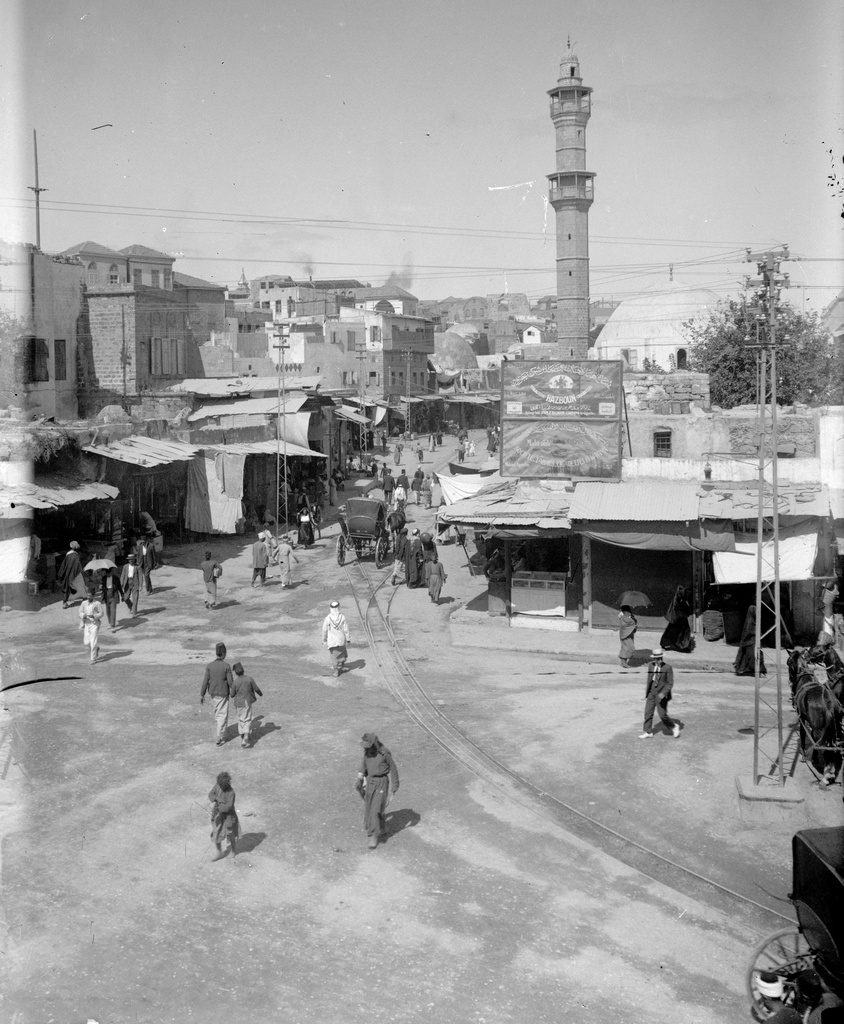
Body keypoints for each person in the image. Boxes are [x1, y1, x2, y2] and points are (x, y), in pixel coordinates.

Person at [356, 732, 399, 849]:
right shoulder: (367, 753)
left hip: (381, 783)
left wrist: (395, 785)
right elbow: (363, 766)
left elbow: (393, 768)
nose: (365, 748)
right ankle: (383, 827)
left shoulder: (385, 753)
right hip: (370, 783)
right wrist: (359, 779)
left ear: (374, 743)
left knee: (375, 809)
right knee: (371, 808)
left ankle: (374, 836)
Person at [640, 648, 680, 739]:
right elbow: (649, 680)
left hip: (661, 695)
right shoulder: (650, 666)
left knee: (662, 714)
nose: (659, 661)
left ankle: (674, 726)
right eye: (657, 659)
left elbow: (670, 683)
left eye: (660, 658)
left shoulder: (667, 668)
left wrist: (663, 693)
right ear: (654, 659)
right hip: (651, 693)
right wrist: (647, 692)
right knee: (648, 713)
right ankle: (648, 731)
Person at [200, 642, 234, 746]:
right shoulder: (226, 666)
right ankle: (220, 736)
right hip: (223, 693)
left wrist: (202, 694)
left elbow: (205, 681)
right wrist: (236, 691)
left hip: (213, 693)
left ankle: (220, 734)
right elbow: (231, 683)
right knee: (222, 715)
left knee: (217, 714)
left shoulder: (210, 666)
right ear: (224, 653)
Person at [230, 661, 263, 749]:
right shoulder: (249, 679)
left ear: (236, 673)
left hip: (238, 703)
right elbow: (256, 689)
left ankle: (243, 734)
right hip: (247, 702)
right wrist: (260, 694)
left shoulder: (235, 682)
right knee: (247, 718)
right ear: (243, 670)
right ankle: (246, 736)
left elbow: (232, 695)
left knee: (241, 719)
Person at [208, 771, 239, 861]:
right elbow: (211, 794)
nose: (220, 787)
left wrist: (220, 807)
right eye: (219, 784)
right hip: (218, 815)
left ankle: (233, 850)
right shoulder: (218, 785)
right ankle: (219, 852)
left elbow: (229, 807)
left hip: (228, 817)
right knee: (216, 832)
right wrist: (216, 799)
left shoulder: (231, 793)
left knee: (231, 834)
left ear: (226, 784)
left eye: (222, 785)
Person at [660, 584, 693, 652]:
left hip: (681, 618)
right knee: (674, 632)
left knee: (683, 632)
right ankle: (679, 645)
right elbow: (677, 608)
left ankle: (684, 646)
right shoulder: (678, 599)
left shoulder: (680, 598)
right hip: (678, 618)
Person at [322, 600, 351, 676]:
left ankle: (336, 671)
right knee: (342, 654)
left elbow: (324, 630)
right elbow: (346, 629)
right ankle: (342, 666)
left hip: (332, 641)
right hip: (341, 640)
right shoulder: (342, 617)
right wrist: (348, 639)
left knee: (334, 657)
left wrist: (324, 639)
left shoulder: (328, 618)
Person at [735, 605, 765, 677]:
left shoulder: (753, 620)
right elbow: (749, 631)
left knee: (755, 655)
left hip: (752, 641)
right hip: (751, 641)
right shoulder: (750, 621)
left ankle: (757, 670)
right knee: (754, 656)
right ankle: (757, 671)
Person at [78, 586, 104, 664]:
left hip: (94, 624)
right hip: (86, 624)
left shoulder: (97, 603)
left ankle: (93, 658)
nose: (89, 597)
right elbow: (80, 612)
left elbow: (101, 613)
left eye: (90, 595)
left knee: (93, 641)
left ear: (93, 595)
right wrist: (83, 615)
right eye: (88, 595)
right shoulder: (84, 603)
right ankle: (96, 649)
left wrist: (95, 616)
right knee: (86, 642)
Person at [96, 565, 123, 631]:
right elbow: (101, 587)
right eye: (106, 573)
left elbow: (119, 587)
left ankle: (112, 625)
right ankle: (109, 622)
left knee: (113, 610)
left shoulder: (116, 578)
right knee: (108, 611)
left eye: (109, 573)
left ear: (111, 572)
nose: (108, 574)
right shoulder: (103, 578)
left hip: (113, 595)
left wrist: (122, 594)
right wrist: (100, 587)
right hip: (106, 596)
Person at [58, 540, 83, 608]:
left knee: (67, 586)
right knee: (79, 584)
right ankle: (83, 597)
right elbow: (78, 566)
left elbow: (64, 565)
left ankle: (65, 602)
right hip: (75, 574)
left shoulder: (68, 554)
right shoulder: (76, 555)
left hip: (67, 573)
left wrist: (62, 574)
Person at [120, 552, 142, 617]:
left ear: (134, 559)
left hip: (135, 583)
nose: (130, 561)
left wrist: (140, 585)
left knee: (135, 598)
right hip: (127, 583)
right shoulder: (125, 566)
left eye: (132, 559)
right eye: (129, 560)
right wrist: (121, 583)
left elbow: (140, 576)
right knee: (125, 598)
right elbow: (122, 575)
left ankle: (134, 613)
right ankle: (130, 606)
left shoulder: (137, 567)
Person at [818, 581, 839, 646]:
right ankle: (828, 638)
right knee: (827, 623)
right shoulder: (829, 596)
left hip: (828, 611)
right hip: (828, 611)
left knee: (828, 625)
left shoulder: (829, 596)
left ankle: (828, 639)